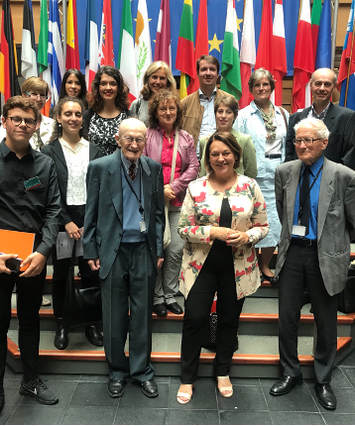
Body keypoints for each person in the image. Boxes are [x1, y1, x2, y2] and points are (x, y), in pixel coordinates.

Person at [176, 131, 269, 404]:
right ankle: (187, 377)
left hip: (238, 267)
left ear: (236, 156)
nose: (220, 158)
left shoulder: (250, 186)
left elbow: (263, 226)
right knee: (194, 319)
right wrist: (212, 231)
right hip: (200, 266)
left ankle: (223, 371)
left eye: (226, 153)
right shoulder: (196, 188)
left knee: (229, 320)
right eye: (214, 153)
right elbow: (183, 229)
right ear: (208, 158)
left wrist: (248, 236)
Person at [269, 117, 355, 411]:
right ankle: (290, 372)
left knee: (325, 321)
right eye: (297, 141)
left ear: (324, 143)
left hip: (327, 257)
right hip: (293, 253)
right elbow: (284, 212)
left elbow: (352, 221)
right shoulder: (284, 172)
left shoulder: (344, 175)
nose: (302, 146)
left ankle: (323, 379)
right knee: (287, 317)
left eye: (308, 140)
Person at [83, 118, 165, 399]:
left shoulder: (153, 169)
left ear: (145, 142)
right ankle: (117, 370)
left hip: (143, 250)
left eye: (139, 139)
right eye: (128, 138)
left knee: (142, 316)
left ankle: (142, 371)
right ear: (118, 139)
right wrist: (90, 249)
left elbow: (157, 216)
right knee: (114, 316)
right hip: (112, 251)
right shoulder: (100, 168)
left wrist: (159, 251)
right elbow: (90, 212)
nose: (133, 144)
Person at [0, 96, 61, 413]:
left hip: (33, 257)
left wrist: (43, 252)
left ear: (37, 125)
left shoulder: (45, 164)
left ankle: (31, 381)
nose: (22, 124)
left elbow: (53, 211)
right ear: (4, 120)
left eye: (28, 120)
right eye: (16, 118)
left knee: (29, 321)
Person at [42, 97, 104, 350]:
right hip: (61, 221)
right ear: (58, 117)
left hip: (89, 220)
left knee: (90, 273)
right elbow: (49, 191)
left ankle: (91, 322)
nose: (73, 118)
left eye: (78, 114)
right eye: (68, 113)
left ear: (83, 118)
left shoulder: (95, 150)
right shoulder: (49, 151)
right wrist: (65, 221)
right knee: (61, 274)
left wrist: (89, 222)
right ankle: (62, 322)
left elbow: (100, 189)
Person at [144, 89, 199, 317]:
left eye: (172, 108)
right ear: (156, 112)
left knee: (175, 250)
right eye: (163, 108)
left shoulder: (186, 138)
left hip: (178, 202)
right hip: (152, 204)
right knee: (157, 250)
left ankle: (170, 295)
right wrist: (159, 191)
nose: (167, 112)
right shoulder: (146, 136)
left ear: (178, 112)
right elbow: (142, 165)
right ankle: (157, 297)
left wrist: (173, 187)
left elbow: (194, 168)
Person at [235, 68, 289, 284]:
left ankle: (264, 265)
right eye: (257, 85)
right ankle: (248, 266)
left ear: (272, 87)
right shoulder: (242, 116)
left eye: (265, 84)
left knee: (273, 226)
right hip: (252, 181)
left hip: (278, 179)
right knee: (249, 225)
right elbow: (236, 146)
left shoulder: (283, 114)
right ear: (251, 89)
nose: (261, 88)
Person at [285, 68, 355, 169]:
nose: (322, 88)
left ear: (334, 87)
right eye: (318, 84)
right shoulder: (296, 118)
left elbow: (350, 155)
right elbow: (290, 153)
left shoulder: (347, 117)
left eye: (327, 84)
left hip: (333, 181)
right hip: (301, 179)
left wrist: (336, 178)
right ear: (311, 85)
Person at [181, 55, 232, 156]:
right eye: (204, 69)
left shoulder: (229, 101)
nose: (208, 73)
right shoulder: (184, 104)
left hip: (221, 160)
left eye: (212, 69)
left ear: (218, 74)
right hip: (193, 162)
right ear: (198, 73)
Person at [199, 95, 257, 178]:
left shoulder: (245, 140)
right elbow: (203, 171)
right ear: (215, 114)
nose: (223, 116)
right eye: (220, 111)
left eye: (228, 112)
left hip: (237, 189)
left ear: (235, 116)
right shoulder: (204, 141)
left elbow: (251, 173)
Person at [82, 66, 129, 155]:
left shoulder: (127, 117)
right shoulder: (88, 116)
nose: (108, 88)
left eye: (112, 83)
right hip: (93, 167)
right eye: (103, 84)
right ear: (97, 87)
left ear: (119, 87)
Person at [0, 77, 55, 151]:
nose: (39, 99)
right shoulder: (10, 119)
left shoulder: (53, 124)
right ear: (24, 95)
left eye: (42, 95)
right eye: (34, 94)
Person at [130, 61, 176, 126]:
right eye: (154, 77)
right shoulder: (137, 105)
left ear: (168, 82)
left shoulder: (174, 105)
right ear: (147, 79)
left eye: (162, 78)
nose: (157, 82)